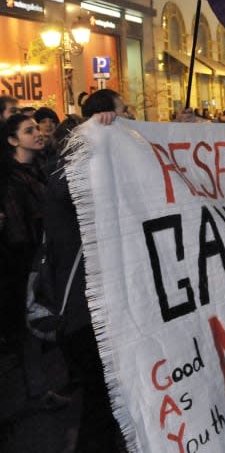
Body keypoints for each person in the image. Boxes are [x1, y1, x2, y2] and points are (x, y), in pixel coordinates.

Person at [43, 89, 126, 451]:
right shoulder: (70, 171)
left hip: (96, 307)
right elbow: (64, 190)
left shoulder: (101, 160)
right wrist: (94, 137)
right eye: (124, 111)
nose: (130, 116)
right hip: (82, 310)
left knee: (104, 397)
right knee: (99, 396)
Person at [1, 113, 70, 412]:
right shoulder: (11, 180)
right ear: (13, 140)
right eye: (29, 131)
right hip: (25, 265)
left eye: (37, 129)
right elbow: (18, 232)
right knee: (30, 330)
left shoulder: (40, 169)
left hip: (43, 259)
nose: (38, 134)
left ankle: (42, 388)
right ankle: (37, 392)